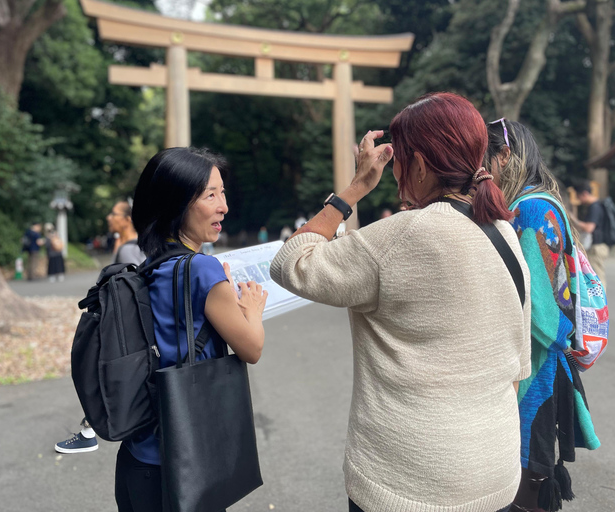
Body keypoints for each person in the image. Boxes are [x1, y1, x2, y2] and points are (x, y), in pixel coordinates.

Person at [271, 92, 531, 512]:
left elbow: (291, 262)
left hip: (407, 485)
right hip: (494, 474)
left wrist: (355, 188)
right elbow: (518, 366)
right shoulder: (504, 234)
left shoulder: (402, 235)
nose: (395, 177)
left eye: (401, 164)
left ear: (422, 166)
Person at [115, 147, 267, 512]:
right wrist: (252, 308)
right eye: (210, 195)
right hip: (185, 462)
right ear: (177, 204)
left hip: (139, 457)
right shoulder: (201, 269)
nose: (223, 206)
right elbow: (251, 349)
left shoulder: (152, 264)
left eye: (222, 192)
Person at [485, 119, 601, 512]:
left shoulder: (531, 208)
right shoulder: (537, 201)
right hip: (539, 356)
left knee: (525, 478)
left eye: (484, 161)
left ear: (504, 155)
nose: (479, 173)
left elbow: (539, 306)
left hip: (538, 360)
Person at [55, 201, 148, 455]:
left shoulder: (130, 249)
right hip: (120, 323)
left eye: (114, 213)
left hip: (120, 325)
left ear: (127, 219)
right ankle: (90, 427)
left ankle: (91, 430)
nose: (109, 217)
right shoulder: (127, 245)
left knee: (98, 370)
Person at [572, 182, 609, 285]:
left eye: (578, 196)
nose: (578, 199)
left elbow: (589, 228)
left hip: (596, 247)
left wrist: (574, 220)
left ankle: (601, 300)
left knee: (597, 278)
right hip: (599, 245)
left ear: (584, 193)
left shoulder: (595, 207)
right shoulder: (597, 205)